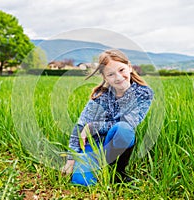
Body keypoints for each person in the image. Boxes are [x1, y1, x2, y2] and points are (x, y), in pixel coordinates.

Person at [62, 49, 154, 186]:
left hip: (117, 140)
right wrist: (71, 160)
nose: (118, 77)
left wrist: (93, 127)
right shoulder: (100, 95)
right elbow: (81, 125)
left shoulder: (144, 94)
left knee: (124, 128)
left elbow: (129, 122)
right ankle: (97, 163)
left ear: (129, 67)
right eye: (111, 74)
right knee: (82, 182)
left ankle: (117, 172)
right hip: (94, 142)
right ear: (105, 78)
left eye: (121, 70)